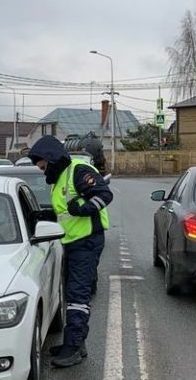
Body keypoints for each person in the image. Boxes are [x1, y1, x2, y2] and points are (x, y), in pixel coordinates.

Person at [28, 135, 113, 368]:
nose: (41, 169)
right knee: (72, 295)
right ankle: (76, 343)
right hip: (71, 242)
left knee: (78, 296)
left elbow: (105, 195)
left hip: (86, 242)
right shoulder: (59, 177)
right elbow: (62, 212)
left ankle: (73, 348)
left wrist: (83, 208)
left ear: (52, 158)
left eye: (42, 164)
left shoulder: (78, 170)